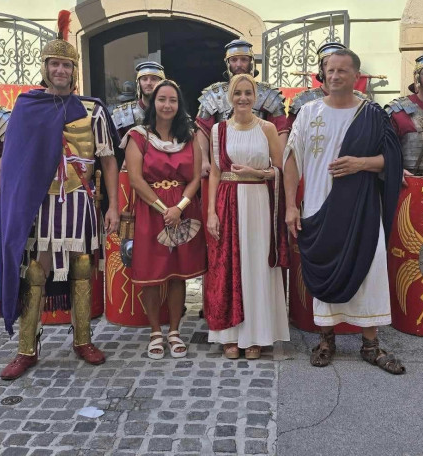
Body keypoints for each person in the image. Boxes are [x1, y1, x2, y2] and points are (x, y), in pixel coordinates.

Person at [0, 38, 120, 380]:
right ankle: (27, 349)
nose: (60, 70)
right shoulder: (27, 106)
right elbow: (16, 159)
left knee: (82, 267)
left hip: (80, 200)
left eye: (66, 65)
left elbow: (108, 160)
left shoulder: (93, 110)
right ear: (46, 68)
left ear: (74, 71)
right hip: (41, 201)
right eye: (55, 64)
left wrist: (114, 205)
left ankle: (83, 340)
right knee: (36, 271)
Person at [284, 48, 405, 374]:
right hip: (319, 206)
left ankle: (371, 344)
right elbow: (291, 160)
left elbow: (393, 162)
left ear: (356, 76)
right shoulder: (308, 113)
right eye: (330, 70)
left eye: (342, 71)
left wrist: (361, 163)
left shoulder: (373, 115)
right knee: (324, 267)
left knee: (369, 272)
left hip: (362, 210)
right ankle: (326, 338)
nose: (335, 76)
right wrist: (291, 207)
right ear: (322, 76)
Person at [205, 73, 289, 359]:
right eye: (238, 93)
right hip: (227, 203)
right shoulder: (218, 130)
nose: (243, 98)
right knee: (229, 266)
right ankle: (230, 335)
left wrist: (255, 172)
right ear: (230, 96)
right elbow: (215, 173)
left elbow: (279, 168)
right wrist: (210, 213)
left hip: (258, 203)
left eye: (248, 93)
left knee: (255, 265)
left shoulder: (267, 128)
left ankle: (257, 335)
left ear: (255, 97)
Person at [124, 79, 207, 359]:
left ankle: (174, 330)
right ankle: (154, 331)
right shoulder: (138, 137)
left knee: (176, 273)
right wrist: (164, 209)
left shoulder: (190, 136)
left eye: (173, 100)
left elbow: (196, 177)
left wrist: (180, 208)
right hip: (151, 210)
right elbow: (135, 179)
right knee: (150, 274)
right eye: (162, 99)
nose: (167, 105)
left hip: (182, 211)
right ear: (152, 102)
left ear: (178, 104)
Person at [195, 39, 288, 177]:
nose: (239, 64)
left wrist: (277, 164)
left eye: (244, 59)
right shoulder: (214, 94)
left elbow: (281, 131)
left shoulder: (268, 94)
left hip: (258, 163)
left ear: (251, 62)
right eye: (234, 60)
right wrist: (203, 160)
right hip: (224, 167)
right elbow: (203, 130)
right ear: (228, 63)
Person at [288, 42, 367, 122]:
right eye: (327, 64)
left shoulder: (363, 104)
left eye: (341, 69)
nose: (334, 72)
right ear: (321, 68)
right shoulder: (304, 101)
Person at [110, 61, 165, 139]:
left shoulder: (171, 111)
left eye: (154, 79)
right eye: (144, 79)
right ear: (139, 83)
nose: (149, 83)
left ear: (161, 83)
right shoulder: (123, 113)